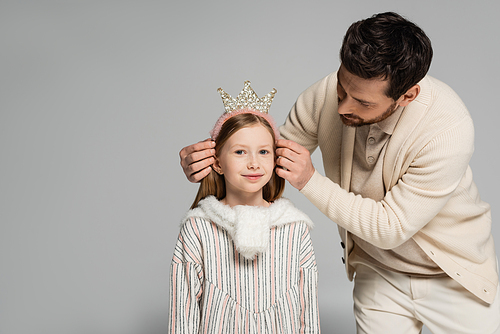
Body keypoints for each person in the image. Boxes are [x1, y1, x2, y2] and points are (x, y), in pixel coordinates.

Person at [179, 12, 500, 333]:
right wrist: (212, 157)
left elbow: (391, 227)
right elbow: (271, 159)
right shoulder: (325, 95)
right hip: (378, 272)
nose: (343, 107)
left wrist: (309, 181)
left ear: (407, 96)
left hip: (452, 275)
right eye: (342, 88)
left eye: (362, 101)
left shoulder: (447, 129)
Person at [170, 81, 320, 333]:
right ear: (217, 162)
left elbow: (308, 312)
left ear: (275, 159)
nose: (253, 163)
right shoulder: (198, 228)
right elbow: (182, 314)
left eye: (263, 152)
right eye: (240, 152)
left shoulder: (294, 228)